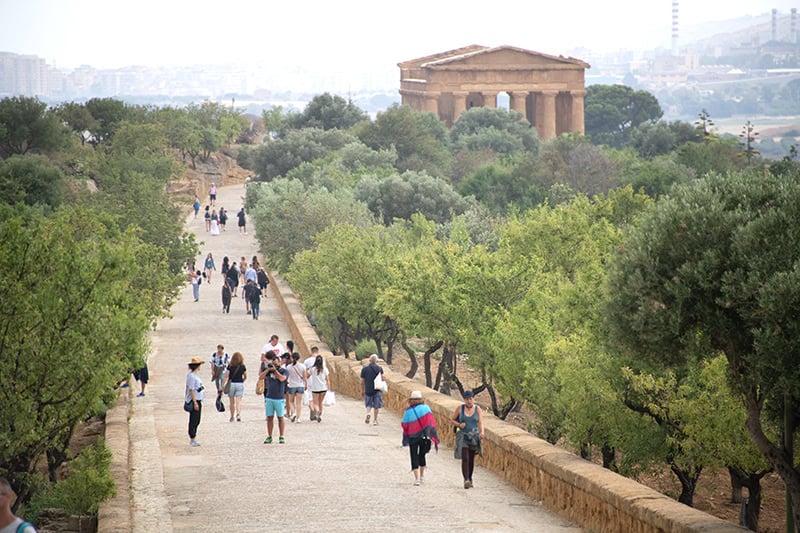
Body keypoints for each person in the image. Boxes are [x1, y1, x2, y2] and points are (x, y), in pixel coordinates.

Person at [401, 390, 440, 486]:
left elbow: (404, 423)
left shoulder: (408, 411)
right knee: (422, 455)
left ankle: (417, 479)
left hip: (413, 436)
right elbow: (431, 422)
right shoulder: (426, 408)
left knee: (414, 455)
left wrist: (411, 428)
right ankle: (422, 476)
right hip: (424, 436)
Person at [451, 389, 484, 489]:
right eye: (467, 399)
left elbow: (480, 422)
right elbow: (452, 420)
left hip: (474, 436)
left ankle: (470, 477)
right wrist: (459, 424)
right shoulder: (459, 409)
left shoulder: (478, 409)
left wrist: (482, 432)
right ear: (464, 400)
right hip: (463, 436)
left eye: (470, 399)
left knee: (471, 459)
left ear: (473, 399)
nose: (469, 401)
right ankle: (466, 480)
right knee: (465, 458)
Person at [260, 354, 288, 443]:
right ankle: (269, 435)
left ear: (280, 363)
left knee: (280, 417)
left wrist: (275, 370)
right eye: (274, 363)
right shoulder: (269, 371)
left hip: (279, 397)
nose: (275, 365)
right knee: (269, 418)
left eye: (276, 363)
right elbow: (261, 377)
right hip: (269, 397)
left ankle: (281, 435)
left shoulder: (284, 371)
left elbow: (282, 379)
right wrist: (268, 369)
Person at [185, 357, 206, 447]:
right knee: (194, 420)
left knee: (197, 420)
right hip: (195, 400)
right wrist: (195, 402)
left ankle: (193, 437)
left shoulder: (194, 375)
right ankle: (192, 438)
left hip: (198, 399)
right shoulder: (191, 376)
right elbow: (191, 390)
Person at [360, 354, 384, 426]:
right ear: (376, 360)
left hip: (368, 389)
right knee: (376, 406)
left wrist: (362, 390)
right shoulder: (379, 368)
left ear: (369, 360)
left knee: (368, 404)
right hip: (377, 389)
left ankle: (368, 413)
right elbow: (382, 378)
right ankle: (375, 420)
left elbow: (362, 381)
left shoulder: (365, 369)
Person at [223, 351, 247, 422]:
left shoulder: (230, 366)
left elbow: (226, 376)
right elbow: (245, 376)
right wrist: (243, 380)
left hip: (231, 384)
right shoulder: (242, 366)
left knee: (231, 402)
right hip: (239, 383)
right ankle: (238, 414)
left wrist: (223, 384)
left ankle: (232, 416)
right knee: (238, 401)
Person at [307, 354, 330, 422]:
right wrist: (329, 388)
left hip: (315, 388)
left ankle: (317, 413)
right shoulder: (325, 369)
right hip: (323, 388)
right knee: (320, 402)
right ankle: (319, 413)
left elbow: (307, 376)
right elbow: (328, 379)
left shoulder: (313, 369)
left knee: (315, 403)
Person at [285, 352, 306, 423]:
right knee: (298, 403)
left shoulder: (288, 367)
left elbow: (287, 376)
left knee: (291, 401)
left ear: (291, 358)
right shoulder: (303, 366)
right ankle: (298, 418)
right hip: (300, 385)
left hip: (292, 385)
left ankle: (293, 413)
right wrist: (305, 385)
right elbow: (305, 377)